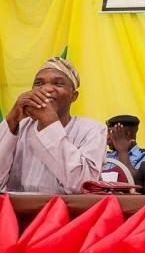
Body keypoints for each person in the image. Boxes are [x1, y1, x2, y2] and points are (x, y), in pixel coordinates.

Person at [0, 57, 106, 193]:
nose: (46, 89)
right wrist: (12, 119)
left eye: (58, 84)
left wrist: (50, 123)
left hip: (66, 212)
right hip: (15, 211)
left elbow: (83, 185)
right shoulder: (19, 126)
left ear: (74, 96)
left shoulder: (93, 129)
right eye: (38, 83)